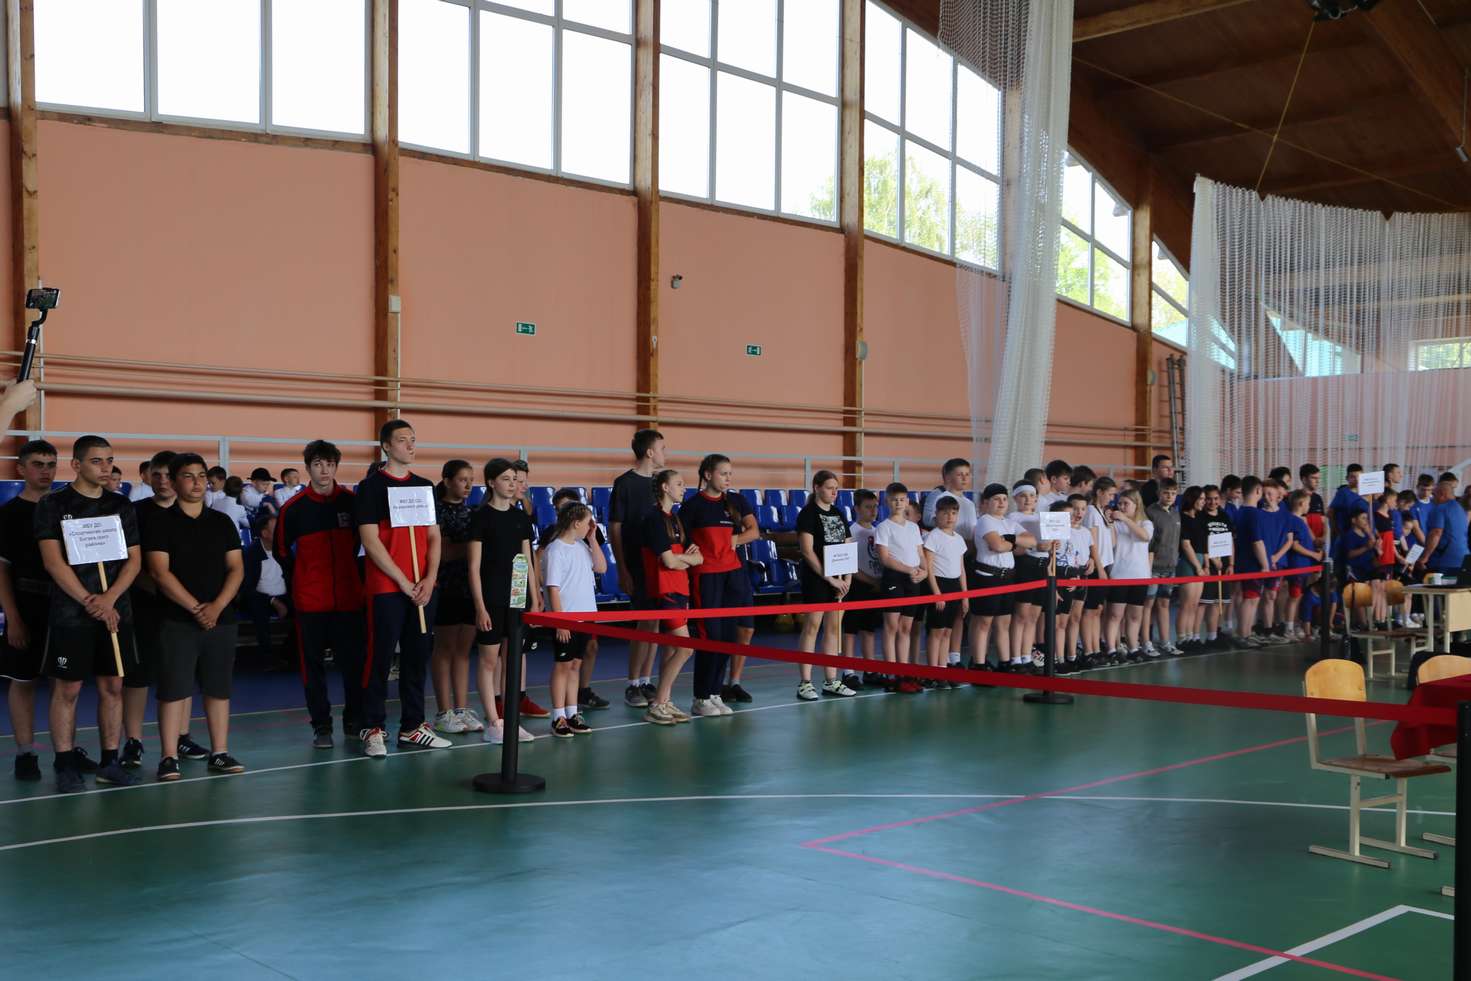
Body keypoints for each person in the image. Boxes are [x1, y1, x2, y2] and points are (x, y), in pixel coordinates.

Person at [35, 435, 143, 791]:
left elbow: (134, 560)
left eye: (109, 460)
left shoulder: (121, 505)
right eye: (97, 461)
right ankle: (65, 762)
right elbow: (53, 562)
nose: (106, 467)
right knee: (68, 689)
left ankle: (109, 762)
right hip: (72, 613)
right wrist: (89, 601)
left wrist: (109, 599)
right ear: (76, 465)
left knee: (113, 686)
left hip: (115, 612)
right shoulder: (53, 504)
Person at [144, 452, 246, 781]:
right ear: (174, 482)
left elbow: (236, 568)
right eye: (188, 476)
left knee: (218, 689)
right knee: (174, 689)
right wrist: (196, 608)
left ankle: (220, 752)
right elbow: (159, 573)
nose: (197, 482)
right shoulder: (160, 523)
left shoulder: (222, 522)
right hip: (176, 621)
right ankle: (169, 756)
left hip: (221, 620)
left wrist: (216, 607)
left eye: (202, 475)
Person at [353, 419, 451, 758]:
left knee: (417, 656)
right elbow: (370, 540)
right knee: (380, 657)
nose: (410, 445)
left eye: (413, 440)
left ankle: (413, 726)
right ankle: (372, 727)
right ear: (386, 446)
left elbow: (434, 536)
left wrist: (429, 578)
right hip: (387, 587)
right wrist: (402, 580)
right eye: (402, 440)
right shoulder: (370, 488)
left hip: (423, 587)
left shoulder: (424, 486)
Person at [275, 439, 366, 749]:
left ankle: (354, 720)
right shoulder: (293, 509)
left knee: (354, 666)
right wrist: (303, 579)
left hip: (350, 600)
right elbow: (281, 551)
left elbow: (363, 544)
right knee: (312, 668)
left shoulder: (352, 503)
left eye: (329, 464)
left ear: (336, 467)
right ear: (308, 468)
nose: (324, 470)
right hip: (310, 603)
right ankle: (321, 726)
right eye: (317, 464)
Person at [680, 454, 758, 716]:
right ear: (707, 475)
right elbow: (681, 539)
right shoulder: (692, 506)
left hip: (732, 575)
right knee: (709, 637)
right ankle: (700, 697)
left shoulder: (735, 501)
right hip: (706, 576)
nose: (728, 478)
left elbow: (753, 531)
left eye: (730, 474)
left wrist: (733, 541)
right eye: (723, 473)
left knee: (727, 637)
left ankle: (714, 692)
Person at [468, 458, 539, 745]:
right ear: (491, 482)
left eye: (514, 479)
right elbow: (474, 566)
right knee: (488, 660)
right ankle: (493, 721)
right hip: (491, 598)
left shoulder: (520, 517)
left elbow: (527, 561)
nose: (512, 484)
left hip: (517, 598)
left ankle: (510, 719)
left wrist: (535, 598)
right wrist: (480, 607)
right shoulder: (480, 517)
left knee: (513, 661)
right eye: (506, 479)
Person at [0, 440, 57, 780]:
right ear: (21, 469)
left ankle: (66, 752)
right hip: (25, 604)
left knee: (66, 684)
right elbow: (1, 570)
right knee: (23, 681)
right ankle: (25, 753)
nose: (45, 471)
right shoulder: (8, 514)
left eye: (50, 464)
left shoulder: (66, 509)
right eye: (38, 464)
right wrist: (14, 618)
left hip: (64, 606)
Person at [609, 429, 665, 709]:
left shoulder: (660, 484)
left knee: (655, 623)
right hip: (636, 563)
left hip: (658, 563)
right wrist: (622, 569)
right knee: (643, 622)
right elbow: (615, 528)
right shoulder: (625, 484)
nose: (665, 454)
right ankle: (632, 683)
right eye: (662, 448)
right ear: (650, 452)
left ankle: (646, 679)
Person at [639, 469, 699, 725]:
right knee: (686, 648)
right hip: (665, 590)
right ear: (665, 487)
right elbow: (669, 562)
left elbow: (698, 557)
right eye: (679, 484)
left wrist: (682, 559)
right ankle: (657, 703)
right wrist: (685, 560)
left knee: (673, 648)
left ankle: (665, 700)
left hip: (681, 588)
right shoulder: (653, 519)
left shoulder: (676, 518)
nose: (684, 488)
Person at [541, 502, 605, 737]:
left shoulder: (582, 546)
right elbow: (553, 589)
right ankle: (558, 716)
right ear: (576, 523)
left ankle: (572, 712)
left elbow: (601, 567)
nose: (591, 526)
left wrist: (593, 539)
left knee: (576, 665)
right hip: (566, 618)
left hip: (585, 616)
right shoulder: (555, 550)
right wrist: (560, 622)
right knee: (563, 665)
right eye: (588, 522)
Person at [429, 460, 483, 735]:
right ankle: (443, 712)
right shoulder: (436, 511)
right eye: (462, 479)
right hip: (445, 586)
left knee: (463, 650)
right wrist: (474, 549)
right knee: (444, 649)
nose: (468, 485)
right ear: (447, 480)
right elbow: (444, 553)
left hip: (469, 587)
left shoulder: (473, 512)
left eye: (471, 480)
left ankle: (461, 708)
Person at [794, 471, 856, 700]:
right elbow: (807, 550)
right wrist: (828, 578)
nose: (834, 492)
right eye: (830, 487)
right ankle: (805, 682)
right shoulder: (808, 514)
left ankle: (831, 680)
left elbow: (848, 545)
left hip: (840, 580)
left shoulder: (838, 513)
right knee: (812, 626)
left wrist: (847, 579)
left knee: (833, 628)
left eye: (836, 488)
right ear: (817, 487)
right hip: (817, 579)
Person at [972, 483, 1033, 672]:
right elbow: (997, 546)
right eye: (996, 499)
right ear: (986, 502)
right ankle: (979, 664)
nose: (1001, 503)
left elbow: (1031, 541)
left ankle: (1005, 662)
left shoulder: (1009, 523)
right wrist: (1013, 544)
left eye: (1004, 499)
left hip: (1007, 577)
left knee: (1003, 622)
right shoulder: (985, 520)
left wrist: (1009, 539)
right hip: (988, 576)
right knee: (984, 623)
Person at [874, 482, 925, 692]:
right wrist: (908, 569)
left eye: (902, 499)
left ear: (907, 502)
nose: (898, 503)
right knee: (891, 627)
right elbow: (885, 558)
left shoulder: (913, 527)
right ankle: (891, 674)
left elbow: (920, 554)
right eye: (894, 499)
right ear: (887, 501)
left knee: (906, 628)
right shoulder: (883, 527)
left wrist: (924, 572)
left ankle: (904, 673)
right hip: (894, 578)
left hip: (913, 579)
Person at [923, 495, 968, 687]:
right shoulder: (933, 536)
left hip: (954, 586)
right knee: (936, 631)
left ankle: (943, 668)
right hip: (939, 585)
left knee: (947, 632)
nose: (950, 517)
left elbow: (961, 569)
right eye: (945, 512)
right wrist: (937, 593)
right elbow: (929, 568)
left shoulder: (958, 539)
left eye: (954, 513)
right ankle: (933, 672)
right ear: (937, 514)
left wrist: (965, 596)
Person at [1104, 489, 1154, 660]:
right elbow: (1111, 543)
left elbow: (1144, 537)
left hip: (1140, 575)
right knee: (1115, 615)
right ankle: (1111, 649)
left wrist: (1125, 519)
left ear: (1136, 505)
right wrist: (1112, 522)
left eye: (1126, 504)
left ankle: (1133, 648)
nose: (1122, 507)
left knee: (1134, 615)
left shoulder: (1146, 523)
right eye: (1120, 503)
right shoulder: (1116, 524)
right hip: (1119, 574)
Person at [842, 489, 883, 690]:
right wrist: (870, 580)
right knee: (851, 630)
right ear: (857, 508)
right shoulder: (851, 532)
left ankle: (870, 670)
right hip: (857, 585)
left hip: (875, 586)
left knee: (869, 629)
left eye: (875, 507)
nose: (873, 511)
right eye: (868, 507)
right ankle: (848, 672)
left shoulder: (877, 531)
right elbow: (849, 565)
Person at [241, 510, 291, 668]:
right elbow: (247, 588)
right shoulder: (251, 554)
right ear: (264, 533)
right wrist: (272, 601)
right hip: (259, 598)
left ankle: (290, 653)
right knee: (258, 610)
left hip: (285, 596)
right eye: (277, 529)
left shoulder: (285, 551)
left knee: (307, 610)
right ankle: (268, 657)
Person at [1055, 496, 1094, 672]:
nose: (1078, 513)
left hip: (1080, 577)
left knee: (1075, 617)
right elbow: (1056, 558)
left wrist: (1091, 561)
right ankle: (1059, 658)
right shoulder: (1061, 533)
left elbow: (1085, 553)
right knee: (1061, 622)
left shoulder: (1085, 532)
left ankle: (1072, 656)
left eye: (1082, 509)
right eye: (1074, 510)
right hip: (1065, 577)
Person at [1145, 478, 1182, 655]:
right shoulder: (1150, 512)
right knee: (1148, 605)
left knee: (1164, 604)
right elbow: (1149, 542)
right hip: (1153, 568)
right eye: (1166, 493)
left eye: (1173, 493)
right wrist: (1148, 566)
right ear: (1159, 493)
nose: (1169, 496)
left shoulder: (1175, 513)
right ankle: (1146, 642)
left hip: (1170, 567)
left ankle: (1165, 641)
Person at [1280, 489, 1322, 641]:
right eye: (1308, 503)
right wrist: (1313, 555)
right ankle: (1289, 628)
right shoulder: (1293, 521)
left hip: (1304, 566)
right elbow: (1294, 545)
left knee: (1298, 597)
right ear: (1300, 503)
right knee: (1294, 597)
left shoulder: (1301, 521)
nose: (1309, 506)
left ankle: (1295, 624)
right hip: (1297, 565)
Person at [1199, 485, 1234, 648]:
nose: (1212, 502)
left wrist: (1231, 563)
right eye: (1209, 499)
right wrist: (1213, 560)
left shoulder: (1224, 516)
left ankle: (1216, 633)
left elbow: (1230, 540)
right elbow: (1202, 541)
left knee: (1221, 601)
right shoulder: (1201, 517)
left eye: (1215, 499)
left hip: (1224, 564)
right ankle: (1209, 636)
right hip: (1210, 564)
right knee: (1208, 601)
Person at [1417, 473, 1468, 585]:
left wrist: (1425, 557)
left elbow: (1436, 533)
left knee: (1436, 593)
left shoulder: (1440, 509)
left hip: (1444, 561)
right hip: (1463, 560)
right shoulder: (1460, 509)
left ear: (1442, 494)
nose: (1432, 498)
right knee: (1455, 593)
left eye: (1434, 494)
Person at [1174, 486, 1208, 653]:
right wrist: (1197, 566)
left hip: (1200, 559)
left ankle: (1190, 636)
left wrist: (1206, 564)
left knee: (1194, 604)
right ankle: (1182, 638)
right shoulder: (1183, 518)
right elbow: (1186, 545)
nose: (1203, 502)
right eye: (1200, 499)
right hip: (1188, 562)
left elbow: (1204, 543)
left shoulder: (1200, 518)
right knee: (1186, 604)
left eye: (1203, 499)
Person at [921, 458, 977, 541]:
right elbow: (937, 524)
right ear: (948, 478)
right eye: (959, 475)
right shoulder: (942, 498)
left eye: (967, 474)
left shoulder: (970, 503)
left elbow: (972, 529)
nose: (964, 478)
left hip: (968, 545)